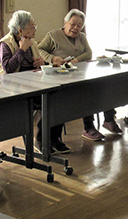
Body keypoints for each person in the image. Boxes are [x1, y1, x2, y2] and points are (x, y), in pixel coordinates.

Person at [38, 9, 121, 141]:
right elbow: (40, 49)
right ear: (65, 22)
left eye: (79, 26)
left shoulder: (81, 37)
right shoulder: (53, 35)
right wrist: (53, 58)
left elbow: (88, 53)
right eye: (73, 24)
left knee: (104, 85)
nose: (75, 28)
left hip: (80, 74)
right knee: (86, 93)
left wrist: (76, 60)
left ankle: (109, 119)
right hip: (59, 77)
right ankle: (89, 127)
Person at [0, 10, 69, 154]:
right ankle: (41, 140)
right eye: (32, 25)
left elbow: (38, 65)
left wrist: (42, 62)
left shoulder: (32, 42)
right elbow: (8, 70)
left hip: (32, 85)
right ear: (20, 29)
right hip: (12, 89)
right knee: (47, 100)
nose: (35, 28)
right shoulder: (6, 44)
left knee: (59, 97)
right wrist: (21, 50)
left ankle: (54, 139)